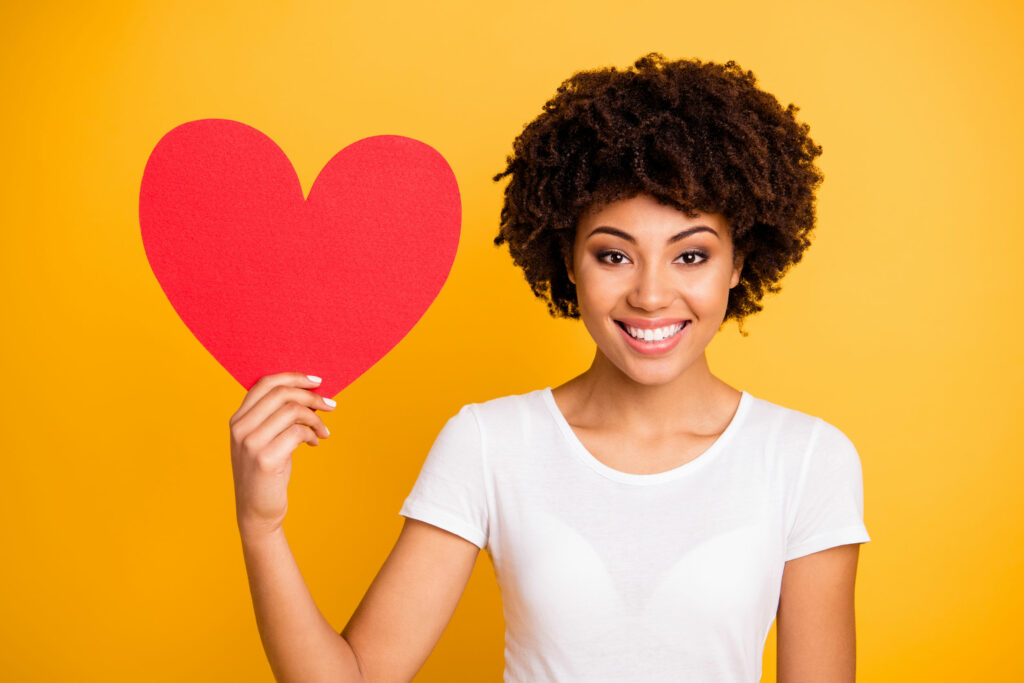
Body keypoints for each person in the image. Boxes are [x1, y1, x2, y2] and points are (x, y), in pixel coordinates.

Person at [230, 53, 871, 682]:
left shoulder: (806, 458)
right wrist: (262, 528)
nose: (650, 294)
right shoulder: (490, 444)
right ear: (568, 261)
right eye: (614, 256)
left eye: (691, 256)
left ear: (739, 263)